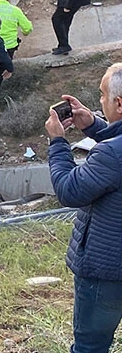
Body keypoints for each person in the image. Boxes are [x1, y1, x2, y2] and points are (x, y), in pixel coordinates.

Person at [44, 62, 122, 353]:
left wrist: (57, 142)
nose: (100, 101)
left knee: (91, 347)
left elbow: (69, 190)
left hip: (107, 272)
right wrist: (92, 125)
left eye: (102, 95)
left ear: (119, 103)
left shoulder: (110, 155)